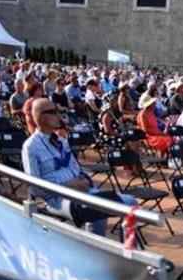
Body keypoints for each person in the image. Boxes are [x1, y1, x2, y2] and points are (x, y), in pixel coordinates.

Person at [22, 99, 137, 237]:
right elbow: (35, 187)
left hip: (82, 191)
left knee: (130, 202)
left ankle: (116, 249)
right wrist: (68, 187)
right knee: (102, 208)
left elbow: (75, 167)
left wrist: (84, 180)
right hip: (58, 200)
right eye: (54, 112)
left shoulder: (61, 140)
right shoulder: (31, 146)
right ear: (41, 116)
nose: (59, 115)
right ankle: (107, 250)